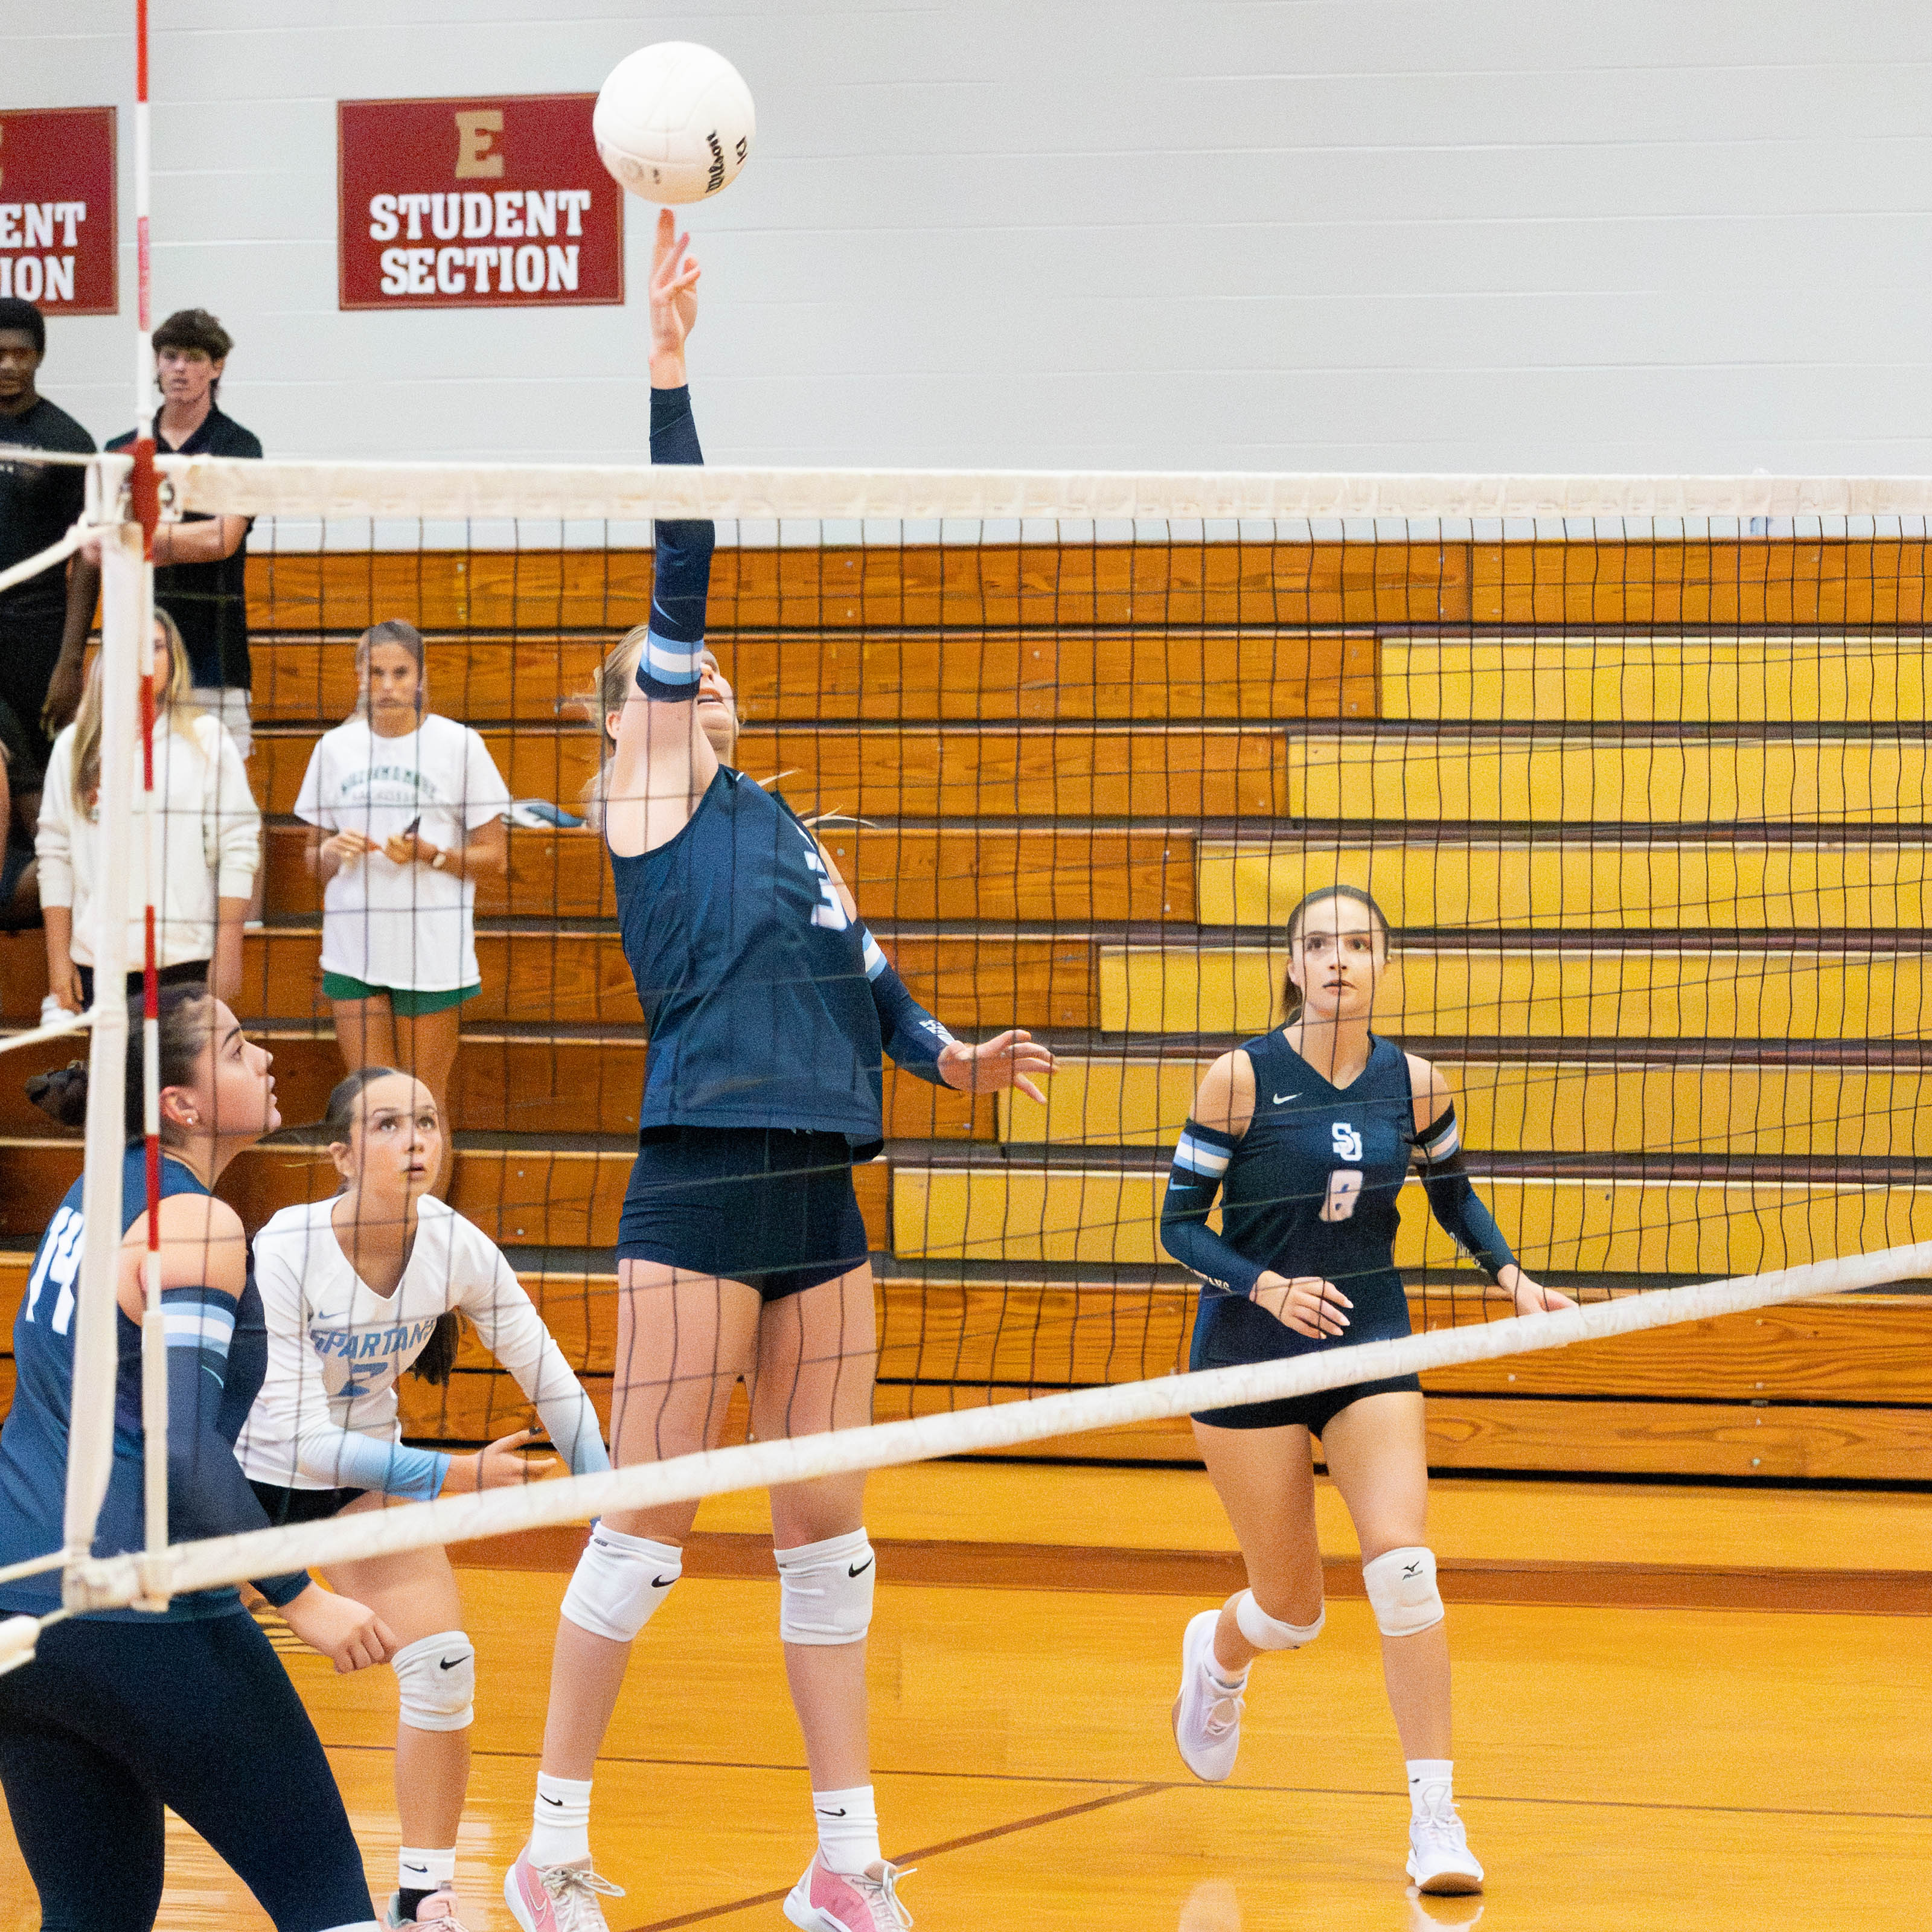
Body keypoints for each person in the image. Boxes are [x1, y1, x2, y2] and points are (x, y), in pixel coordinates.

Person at [501, 212, 1055, 1932]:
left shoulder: (786, 825)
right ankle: (547, 1847)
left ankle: (843, 1859)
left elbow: (865, 977)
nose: (710, 682)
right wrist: (669, 368)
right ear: (630, 716)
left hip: (824, 1182)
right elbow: (685, 555)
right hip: (699, 1182)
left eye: (712, 681)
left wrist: (952, 1057)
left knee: (829, 1531)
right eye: (682, 679)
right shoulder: (646, 793)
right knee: (650, 1530)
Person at [1158, 884, 1578, 1896]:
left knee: (1404, 1568)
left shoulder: (1417, 1084)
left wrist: (1513, 1278)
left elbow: (1454, 1196)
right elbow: (1178, 1225)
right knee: (1292, 1610)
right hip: (1250, 1353)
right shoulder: (1239, 1079)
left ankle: (1436, 1821)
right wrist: (1267, 1285)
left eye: (1358, 943)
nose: (1339, 959)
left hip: (1369, 1345)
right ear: (1294, 966)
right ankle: (1220, 1654)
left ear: (1384, 963)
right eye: (1319, 944)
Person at [0, 985, 397, 1932]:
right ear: (180, 1104)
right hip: (136, 1601)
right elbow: (179, 1452)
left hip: (19, 1604)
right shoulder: (196, 1224)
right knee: (327, 1902)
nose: (266, 1059)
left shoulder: (93, 1193)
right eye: (235, 1047)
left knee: (92, 1912)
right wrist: (302, 1596)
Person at [235, 1064, 610, 1930]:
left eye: (429, 1122)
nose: (415, 1141)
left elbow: (551, 1380)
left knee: (442, 1663)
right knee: (162, 1681)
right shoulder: (287, 1247)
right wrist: (454, 1476)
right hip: (240, 1489)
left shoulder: (454, 1245)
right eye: (389, 1124)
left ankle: (422, 1895)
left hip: (359, 1488)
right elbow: (301, 1442)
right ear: (341, 1155)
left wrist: (610, 1500)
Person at [295, 619, 510, 1194]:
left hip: (431, 951)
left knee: (423, 1104)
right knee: (370, 1102)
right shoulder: (333, 749)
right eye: (375, 672)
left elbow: (495, 857)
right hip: (353, 949)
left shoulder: (459, 746)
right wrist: (332, 850)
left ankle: (427, 1229)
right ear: (358, 677)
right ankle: (375, 1223)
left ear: (421, 678)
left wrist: (432, 854)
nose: (387, 685)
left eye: (400, 672)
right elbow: (311, 860)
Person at [104, 309, 265, 923]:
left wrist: (141, 535)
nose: (179, 368)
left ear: (216, 367)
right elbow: (96, 545)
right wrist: (166, 538)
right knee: (137, 784)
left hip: (214, 645)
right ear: (157, 364)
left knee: (229, 796)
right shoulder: (123, 450)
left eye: (194, 358)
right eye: (170, 356)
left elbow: (222, 538)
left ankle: (241, 928)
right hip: (136, 647)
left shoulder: (238, 446)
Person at [37, 606, 258, 1011]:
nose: (143, 660)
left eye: (155, 647)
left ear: (173, 659)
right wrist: (57, 959)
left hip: (184, 959)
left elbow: (239, 848)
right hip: (100, 962)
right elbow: (54, 853)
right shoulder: (74, 746)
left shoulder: (208, 740)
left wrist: (229, 949)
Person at [0, 295, 97, 875]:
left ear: (39, 356)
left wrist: (70, 661)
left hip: (38, 637)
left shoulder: (68, 440)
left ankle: (52, 902)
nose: (9, 365)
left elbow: (86, 558)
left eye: (21, 353)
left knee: (43, 791)